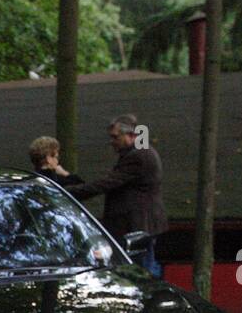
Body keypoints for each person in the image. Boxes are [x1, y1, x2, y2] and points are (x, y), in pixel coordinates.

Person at [67, 114, 168, 276]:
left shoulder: (137, 157)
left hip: (137, 226)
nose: (112, 141)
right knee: (143, 267)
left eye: (115, 137)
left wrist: (69, 193)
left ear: (130, 135)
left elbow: (107, 183)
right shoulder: (140, 152)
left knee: (141, 271)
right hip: (142, 224)